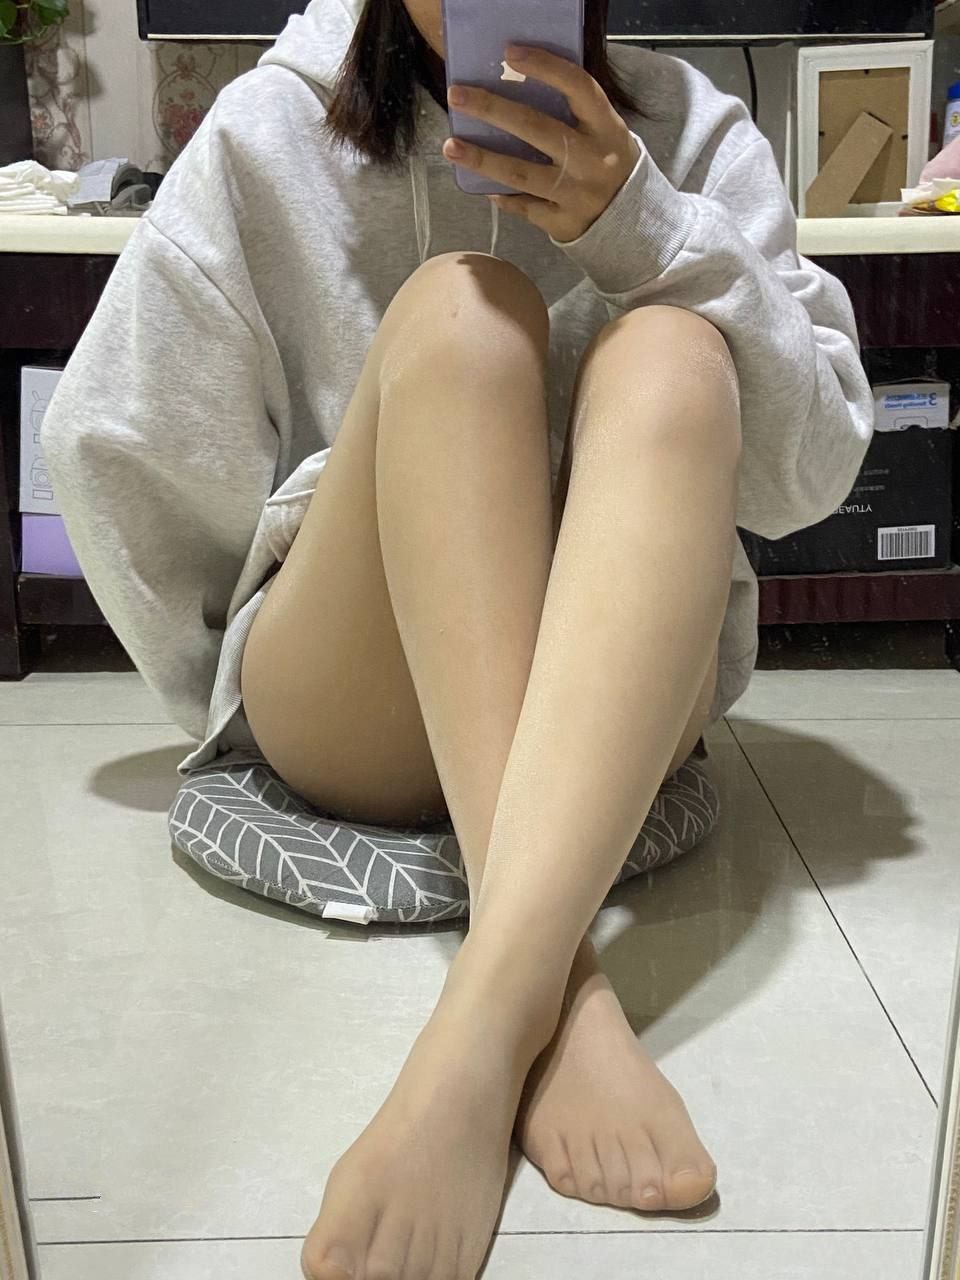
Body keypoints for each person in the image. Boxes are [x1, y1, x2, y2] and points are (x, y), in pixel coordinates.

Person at [41, 0, 874, 1275]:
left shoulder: (692, 133)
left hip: (611, 704)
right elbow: (108, 437)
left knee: (674, 355)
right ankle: (553, 993)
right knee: (462, 314)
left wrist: (645, 226)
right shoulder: (273, 127)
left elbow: (809, 475)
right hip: (358, 704)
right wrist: (229, 656)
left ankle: (489, 1024)